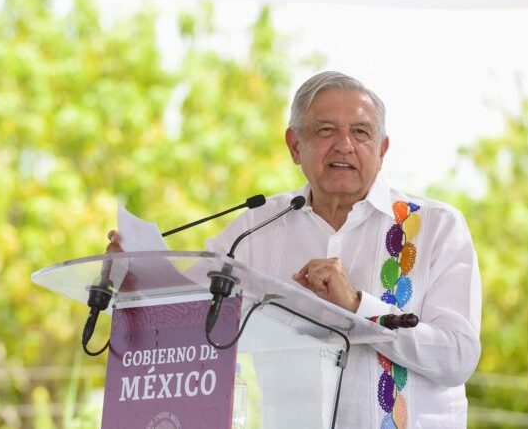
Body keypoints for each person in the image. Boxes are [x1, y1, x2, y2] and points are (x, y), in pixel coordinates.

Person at [108, 71, 481, 428]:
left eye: (361, 132)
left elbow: (457, 356)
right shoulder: (258, 225)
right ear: (294, 145)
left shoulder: (435, 227)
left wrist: (358, 306)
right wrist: (139, 287)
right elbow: (187, 310)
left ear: (382, 150)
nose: (344, 144)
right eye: (326, 130)